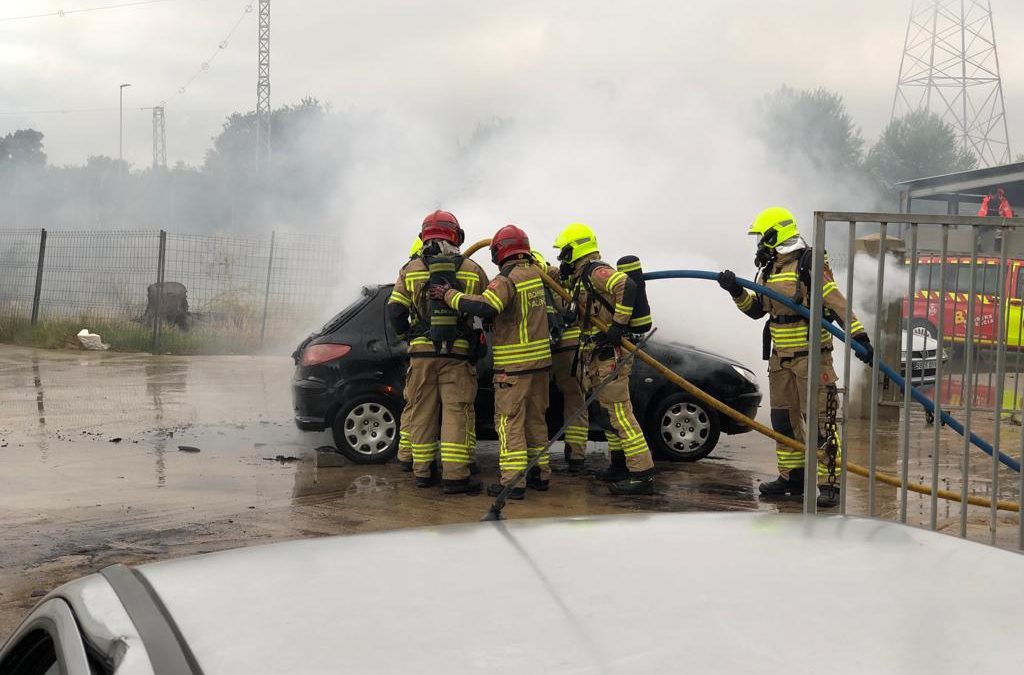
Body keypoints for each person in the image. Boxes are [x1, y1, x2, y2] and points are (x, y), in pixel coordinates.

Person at [717, 207, 872, 508]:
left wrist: (860, 338)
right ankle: (793, 477)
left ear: (775, 235)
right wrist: (736, 291)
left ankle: (829, 484)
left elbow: (837, 304)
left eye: (763, 237)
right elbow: (755, 310)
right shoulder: (768, 270)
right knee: (783, 422)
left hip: (812, 359)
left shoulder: (808, 265)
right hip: (780, 361)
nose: (760, 243)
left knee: (820, 423)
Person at [432, 225, 552, 500]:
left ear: (501, 251)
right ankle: (540, 475)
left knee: (509, 423)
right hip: (540, 366)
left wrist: (449, 296)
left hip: (514, 368)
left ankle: (512, 483)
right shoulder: (537, 274)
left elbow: (486, 306)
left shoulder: (505, 279)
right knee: (536, 422)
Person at [386, 211, 488, 495]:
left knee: (421, 412)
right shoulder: (472, 268)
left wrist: (407, 336)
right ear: (456, 235)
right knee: (456, 413)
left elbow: (395, 309)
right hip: (457, 355)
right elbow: (484, 311)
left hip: (421, 355)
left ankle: (422, 472)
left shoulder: (410, 269)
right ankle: (455, 478)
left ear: (424, 236)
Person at [552, 223, 657, 495]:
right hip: (596, 357)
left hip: (610, 356)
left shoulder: (596, 271)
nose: (562, 260)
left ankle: (642, 474)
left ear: (575, 249)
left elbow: (626, 285)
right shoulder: (580, 278)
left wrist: (618, 325)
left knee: (621, 416)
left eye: (564, 253)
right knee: (607, 415)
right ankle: (619, 465)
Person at [532, 249, 589, 473]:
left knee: (537, 406)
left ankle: (537, 460)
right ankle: (576, 457)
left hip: (539, 350)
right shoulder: (556, 281)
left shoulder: (526, 282)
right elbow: (569, 311)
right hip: (567, 349)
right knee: (576, 401)